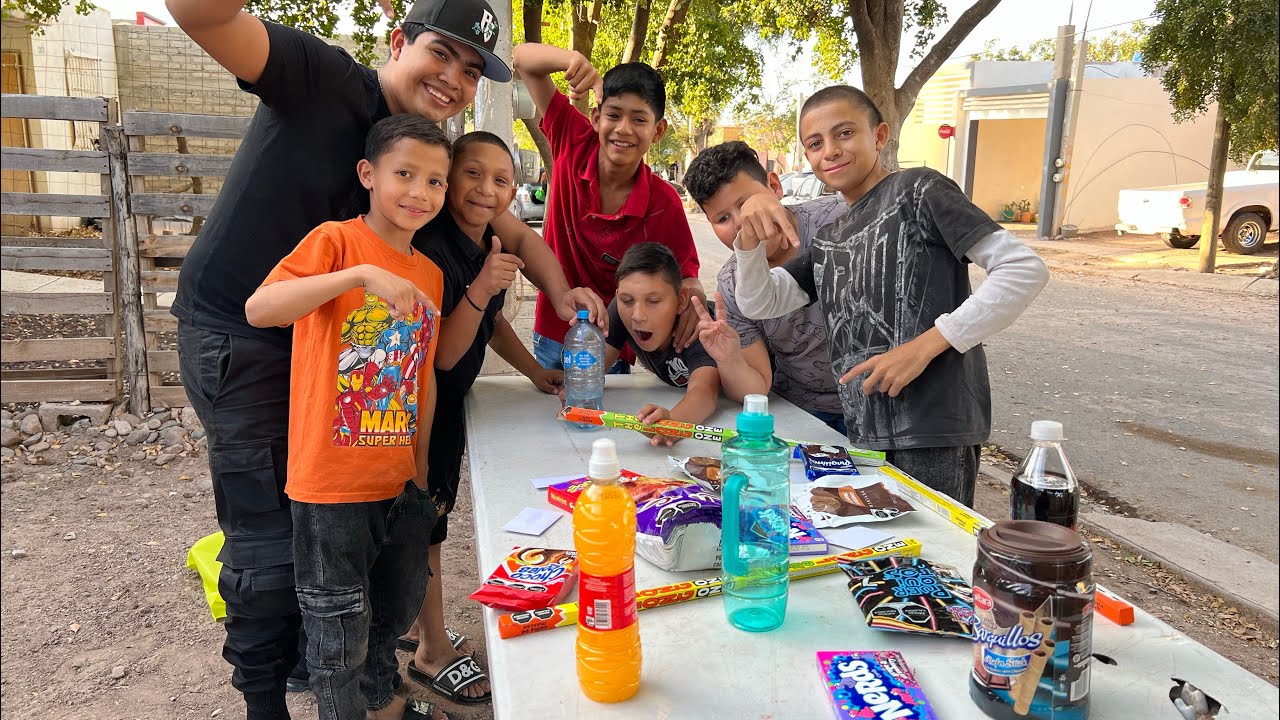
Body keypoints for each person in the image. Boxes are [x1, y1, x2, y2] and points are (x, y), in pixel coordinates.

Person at [166, 0, 600, 716]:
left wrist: (561, 288)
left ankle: (359, 683)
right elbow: (200, 17)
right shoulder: (323, 78)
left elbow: (511, 233)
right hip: (242, 333)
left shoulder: (422, 152)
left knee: (350, 535)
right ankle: (265, 701)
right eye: (443, 54)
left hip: (331, 348)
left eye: (470, 70)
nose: (454, 78)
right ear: (397, 41)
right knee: (271, 537)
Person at [730, 85, 1049, 507]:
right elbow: (761, 303)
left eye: (844, 133)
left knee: (934, 561)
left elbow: (1024, 269)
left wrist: (925, 346)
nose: (830, 151)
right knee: (885, 560)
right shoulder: (829, 237)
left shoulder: (919, 191)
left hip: (933, 428)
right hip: (863, 431)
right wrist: (748, 244)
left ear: (879, 136)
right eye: (815, 143)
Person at [244, 115, 449, 720]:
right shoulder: (335, 242)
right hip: (329, 485)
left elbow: (423, 378)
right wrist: (359, 275)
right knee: (337, 636)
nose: (419, 192)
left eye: (435, 181)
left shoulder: (430, 274)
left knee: (389, 612)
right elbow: (261, 308)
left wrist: (419, 466)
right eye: (404, 174)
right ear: (368, 174)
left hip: (396, 483)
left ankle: (383, 707)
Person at [396, 131, 564, 705]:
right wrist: (480, 288)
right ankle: (432, 651)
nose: (485, 189)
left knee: (426, 518)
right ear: (448, 179)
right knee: (428, 526)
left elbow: (491, 320)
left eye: (500, 180)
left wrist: (535, 371)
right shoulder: (433, 247)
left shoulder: (486, 239)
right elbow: (444, 350)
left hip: (446, 402)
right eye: (472, 174)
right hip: (424, 407)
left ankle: (418, 622)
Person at [512, 44, 706, 371]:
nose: (623, 129)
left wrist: (693, 304)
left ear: (657, 130)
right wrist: (571, 60)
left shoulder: (663, 202)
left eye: (639, 119)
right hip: (553, 332)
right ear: (596, 118)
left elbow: (687, 277)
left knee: (606, 423)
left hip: (612, 347)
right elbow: (521, 58)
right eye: (613, 115)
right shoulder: (571, 139)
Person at [683, 140, 848, 433]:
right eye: (722, 218)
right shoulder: (732, 283)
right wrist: (730, 357)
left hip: (881, 403)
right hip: (803, 411)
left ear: (774, 186)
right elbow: (755, 388)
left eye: (746, 204)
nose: (741, 223)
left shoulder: (840, 216)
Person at [598, 243, 772, 446]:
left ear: (681, 301)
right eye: (627, 300)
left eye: (653, 301)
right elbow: (595, 370)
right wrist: (573, 382)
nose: (637, 315)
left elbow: (704, 393)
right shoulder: (620, 312)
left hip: (766, 403)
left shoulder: (702, 329)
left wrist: (672, 423)